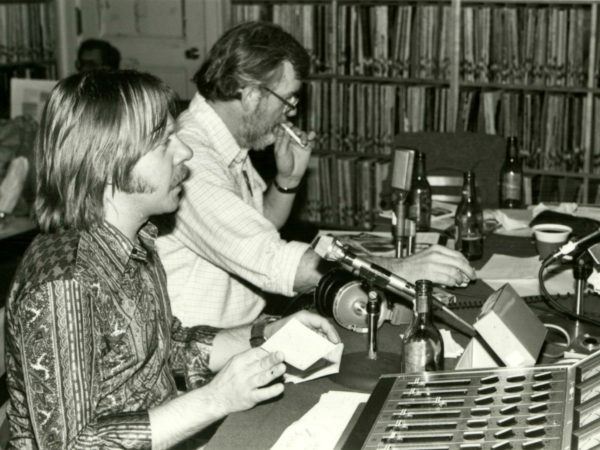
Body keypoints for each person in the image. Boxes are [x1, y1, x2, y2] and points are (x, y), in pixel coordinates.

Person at [5, 70, 339, 449]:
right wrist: (216, 399)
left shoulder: (138, 240)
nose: (185, 152)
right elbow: (72, 444)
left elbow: (170, 346)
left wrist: (264, 336)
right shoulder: (64, 285)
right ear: (110, 160)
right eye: (164, 142)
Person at [156, 21, 476, 329]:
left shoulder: (225, 143)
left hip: (246, 325)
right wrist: (398, 268)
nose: (292, 111)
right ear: (253, 95)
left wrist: (288, 181)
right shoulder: (193, 161)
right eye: (289, 98)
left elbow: (256, 225)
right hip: (206, 351)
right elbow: (273, 261)